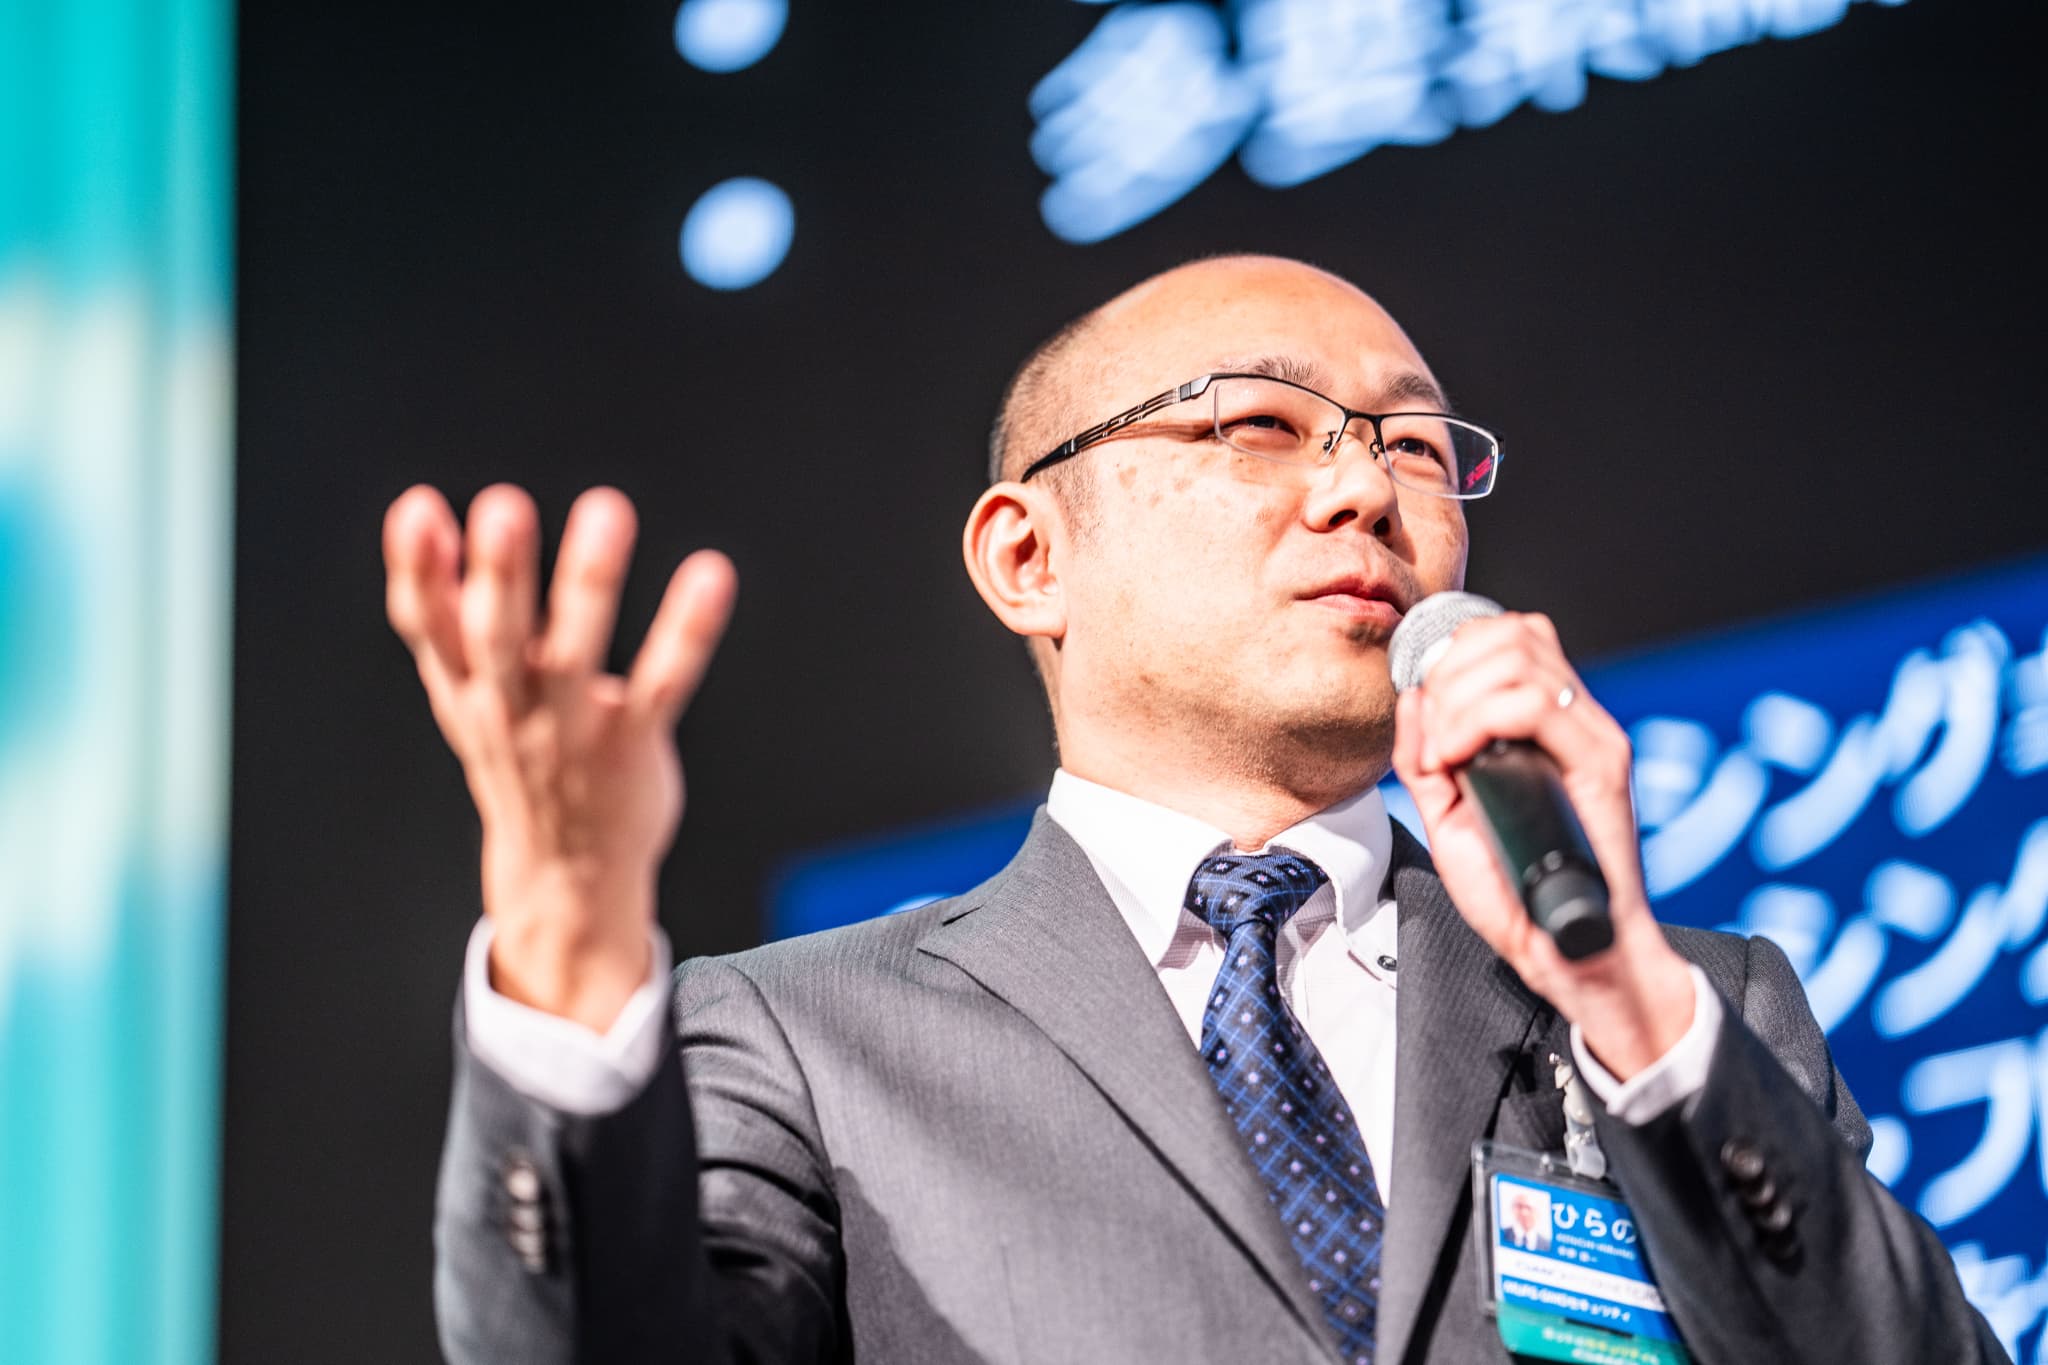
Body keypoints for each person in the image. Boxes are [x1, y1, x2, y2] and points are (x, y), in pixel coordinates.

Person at [387, 255, 2006, 1363]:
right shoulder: (801, 1040)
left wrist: (1623, 995)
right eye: (1257, 424)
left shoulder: (1694, 1011)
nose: (1364, 488)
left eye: (1417, 448)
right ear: (1030, 556)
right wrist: (567, 950)